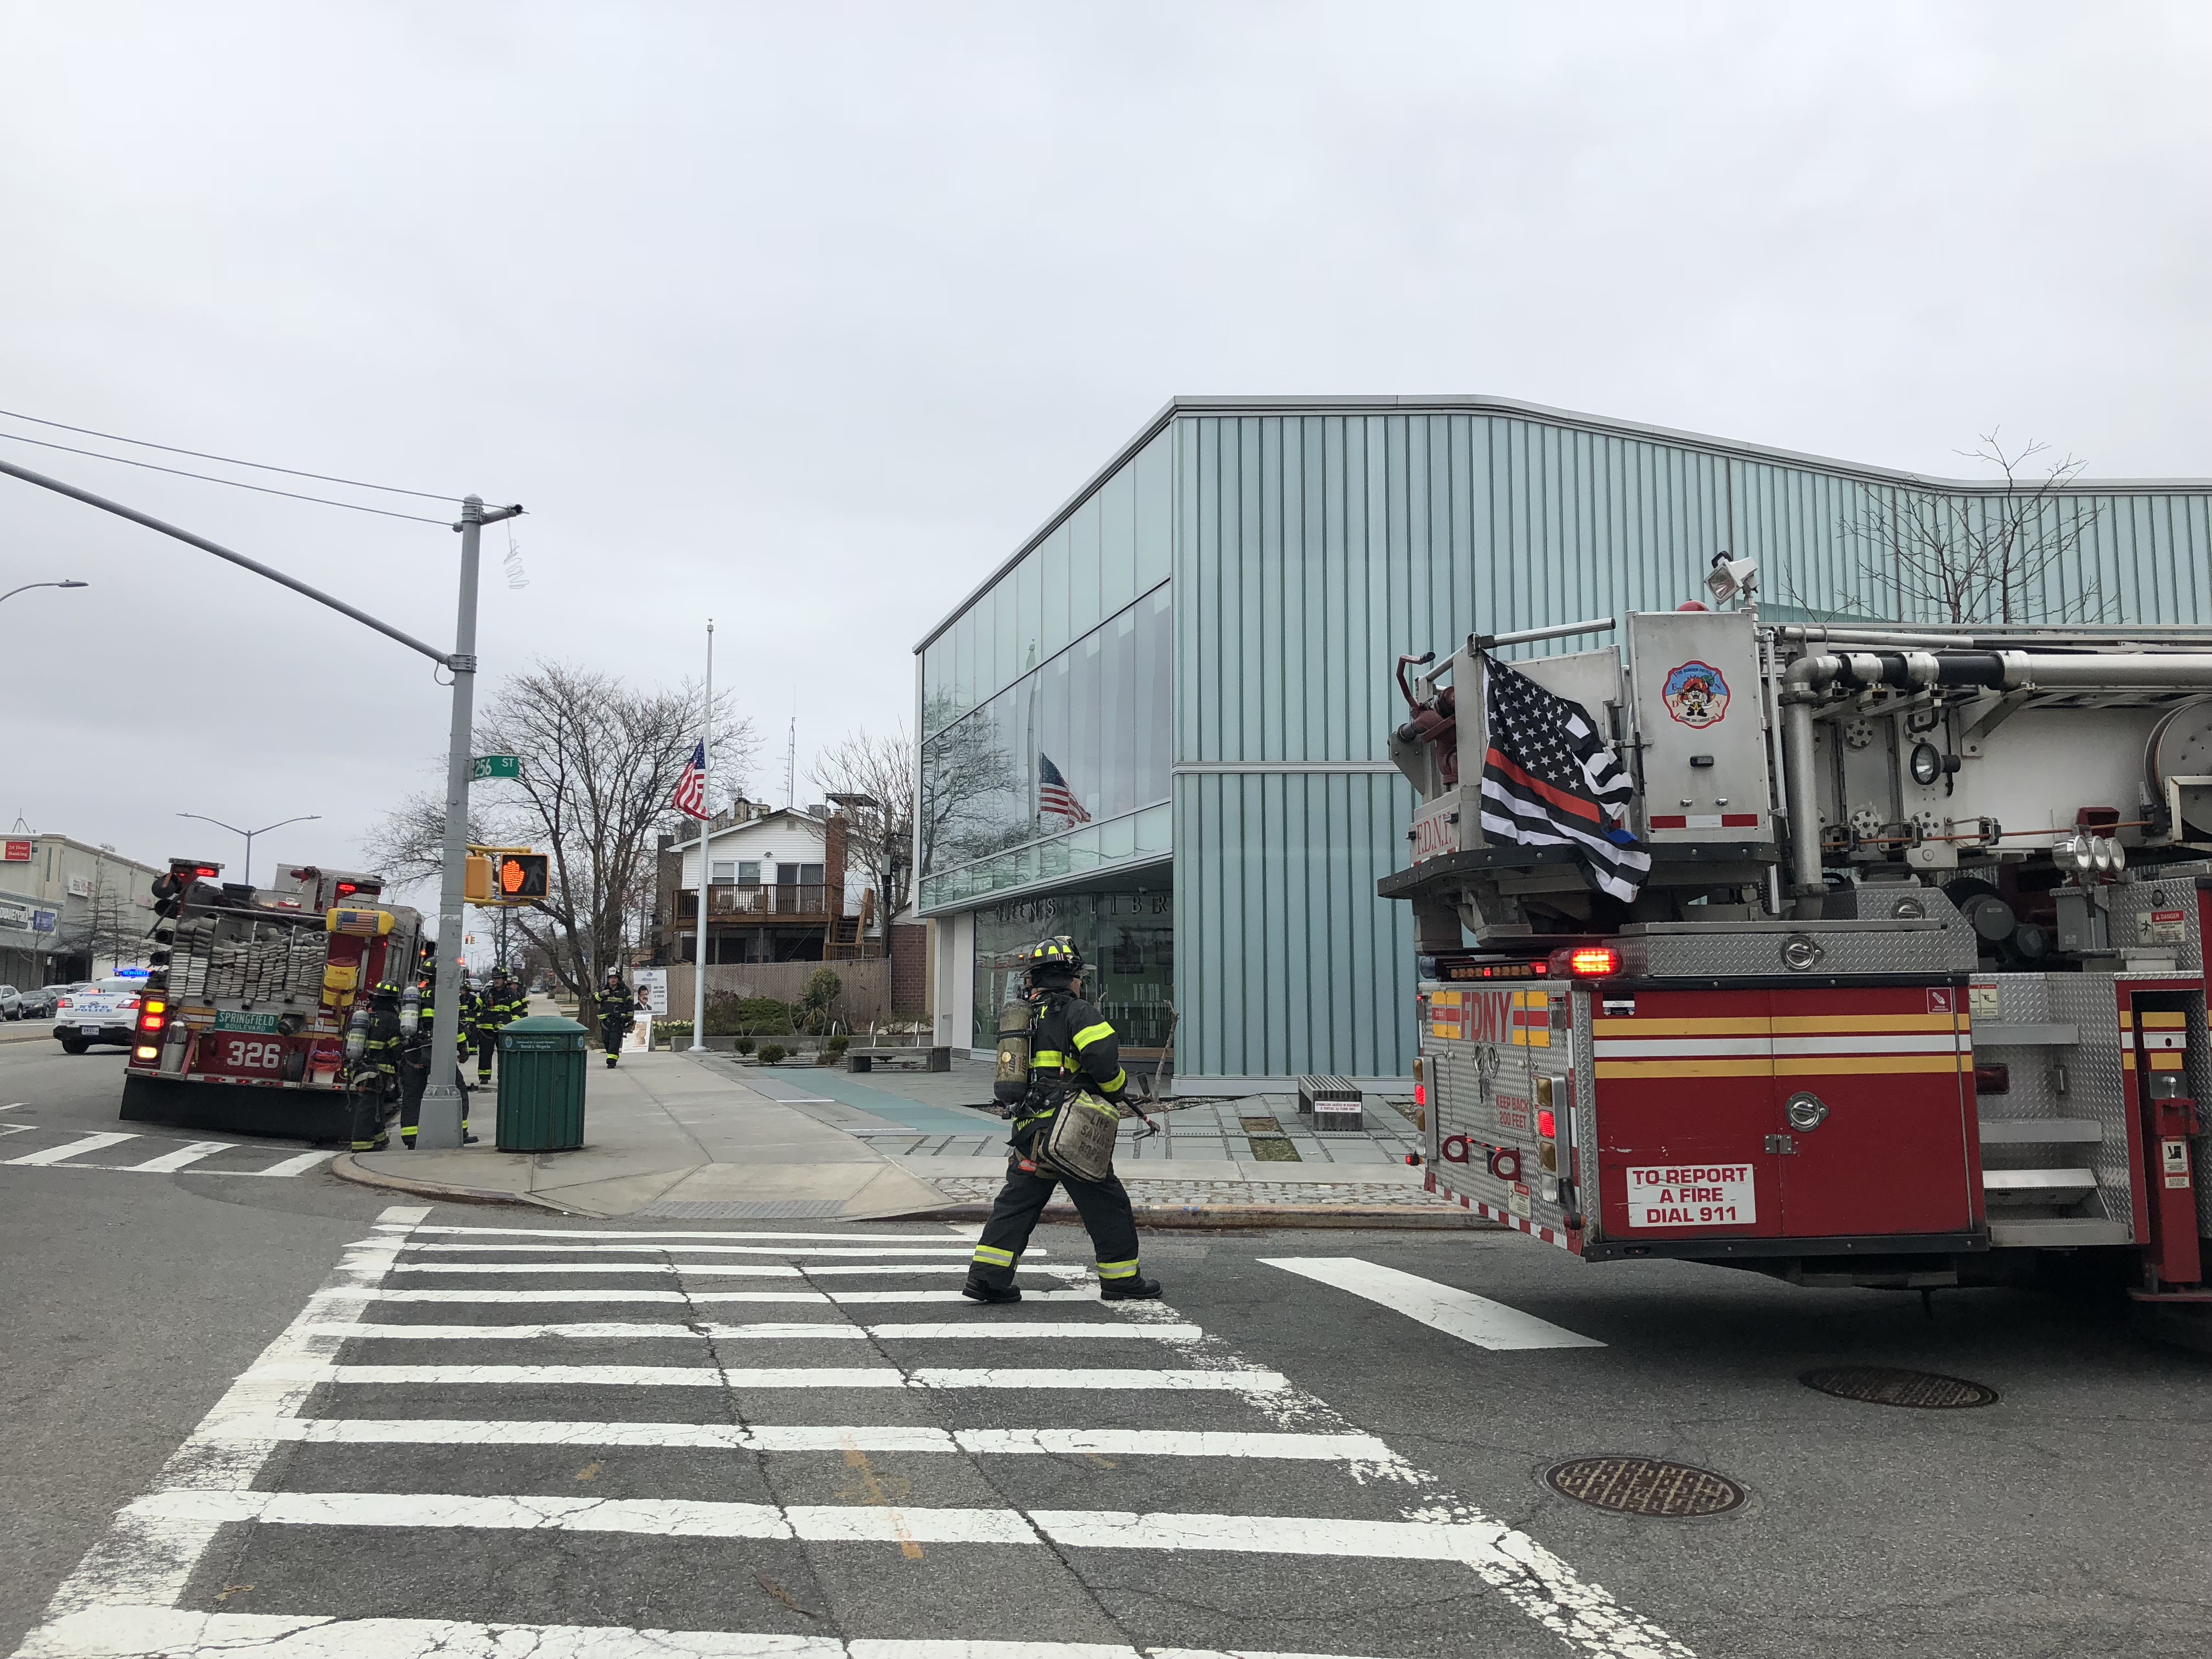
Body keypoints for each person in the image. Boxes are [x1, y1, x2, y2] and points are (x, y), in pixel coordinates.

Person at [963, 938, 1160, 1305]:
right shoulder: (1079, 1012)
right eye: (1079, 978)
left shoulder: (1022, 1017)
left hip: (1029, 1131)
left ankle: (987, 1278)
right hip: (1069, 1130)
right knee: (1107, 1203)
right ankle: (1121, 1280)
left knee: (1016, 1205)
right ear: (1072, 977)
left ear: (1035, 979)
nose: (1080, 984)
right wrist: (1118, 1090)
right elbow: (1103, 1063)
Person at [347, 981, 402, 1152]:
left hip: (360, 1068)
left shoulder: (366, 1018)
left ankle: (379, 1138)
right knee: (368, 1106)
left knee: (377, 1104)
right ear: (394, 1002)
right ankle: (361, 1144)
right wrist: (404, 1068)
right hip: (379, 1071)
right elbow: (397, 1048)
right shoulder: (392, 1020)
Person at [473, 967, 527, 1086]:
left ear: (504, 980)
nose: (497, 981)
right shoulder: (486, 994)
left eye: (499, 978)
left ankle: (503, 1076)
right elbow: (477, 1007)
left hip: (505, 1031)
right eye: (495, 978)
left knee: (505, 1055)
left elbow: (518, 1012)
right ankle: (484, 1076)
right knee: (485, 1054)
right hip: (486, 1030)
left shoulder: (511, 996)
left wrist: (513, 1027)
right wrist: (472, 1002)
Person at [595, 968, 637, 1069]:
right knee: (606, 1041)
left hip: (619, 1020)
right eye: (611, 978)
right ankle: (612, 1055)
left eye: (615, 978)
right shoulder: (604, 989)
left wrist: (630, 1018)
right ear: (608, 979)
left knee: (615, 1040)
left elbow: (630, 1005)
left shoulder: (624, 990)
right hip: (606, 1020)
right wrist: (601, 995)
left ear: (619, 979)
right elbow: (595, 1001)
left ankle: (612, 1061)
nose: (613, 980)